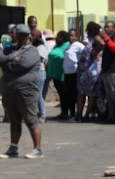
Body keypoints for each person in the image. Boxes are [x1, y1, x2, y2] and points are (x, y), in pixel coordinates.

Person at [0, 24, 44, 159]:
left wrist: (9, 62)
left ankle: (37, 149)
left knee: (30, 119)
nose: (21, 37)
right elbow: (2, 59)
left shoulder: (32, 51)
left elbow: (22, 65)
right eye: (19, 35)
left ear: (28, 37)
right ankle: (13, 148)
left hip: (27, 92)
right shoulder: (11, 49)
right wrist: (11, 59)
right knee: (14, 120)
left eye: (24, 35)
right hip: (10, 91)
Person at [76, 22, 104, 122]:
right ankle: (79, 114)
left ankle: (85, 115)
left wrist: (95, 52)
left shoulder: (96, 38)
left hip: (91, 69)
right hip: (85, 69)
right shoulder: (91, 40)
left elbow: (102, 44)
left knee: (88, 93)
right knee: (83, 93)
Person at [99, 20, 115, 123]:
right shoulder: (108, 39)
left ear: (113, 28)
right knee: (109, 95)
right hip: (107, 70)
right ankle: (111, 115)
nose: (106, 29)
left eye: (108, 27)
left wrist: (105, 38)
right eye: (105, 27)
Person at [46, 31, 69, 121]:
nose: (56, 38)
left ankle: (66, 112)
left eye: (58, 37)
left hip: (63, 74)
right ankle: (63, 112)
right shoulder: (56, 46)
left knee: (64, 95)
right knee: (61, 94)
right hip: (55, 74)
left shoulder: (67, 46)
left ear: (63, 38)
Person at [61, 28, 84, 120]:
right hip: (67, 73)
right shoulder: (68, 46)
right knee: (69, 94)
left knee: (74, 94)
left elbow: (85, 53)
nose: (71, 37)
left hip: (74, 72)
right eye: (69, 35)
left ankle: (75, 114)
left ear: (76, 36)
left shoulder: (78, 45)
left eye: (72, 35)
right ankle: (71, 113)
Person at [31, 30, 49, 123]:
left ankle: (42, 115)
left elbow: (37, 59)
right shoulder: (32, 47)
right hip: (33, 73)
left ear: (38, 37)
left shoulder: (41, 47)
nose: (31, 37)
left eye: (33, 36)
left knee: (38, 94)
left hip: (39, 72)